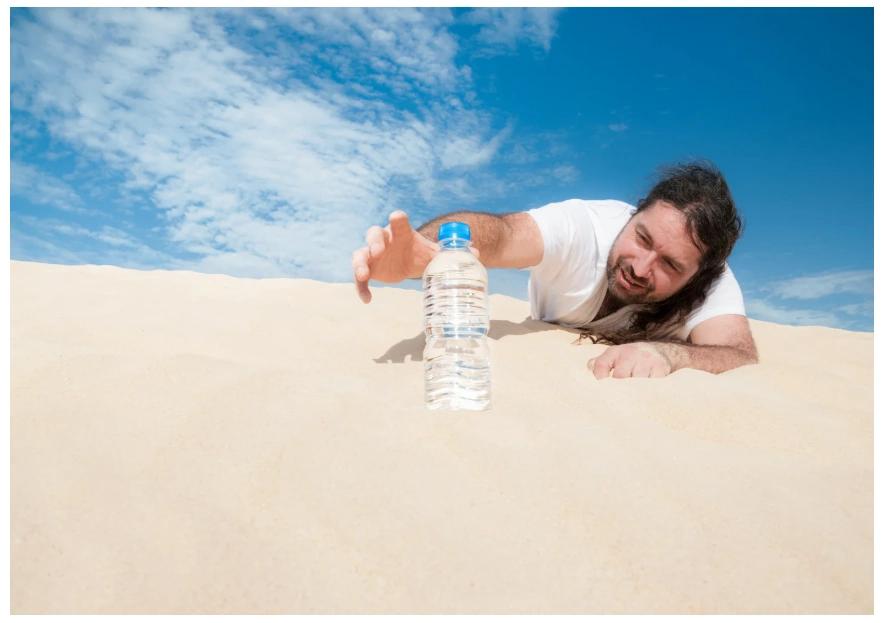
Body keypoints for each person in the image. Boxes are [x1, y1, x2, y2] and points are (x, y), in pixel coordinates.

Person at [351, 161, 759, 379]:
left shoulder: (713, 281)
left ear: (699, 275)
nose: (641, 266)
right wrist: (428, 247)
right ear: (634, 215)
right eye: (643, 238)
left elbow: (737, 354)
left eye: (670, 264)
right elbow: (503, 234)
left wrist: (670, 355)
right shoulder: (585, 227)